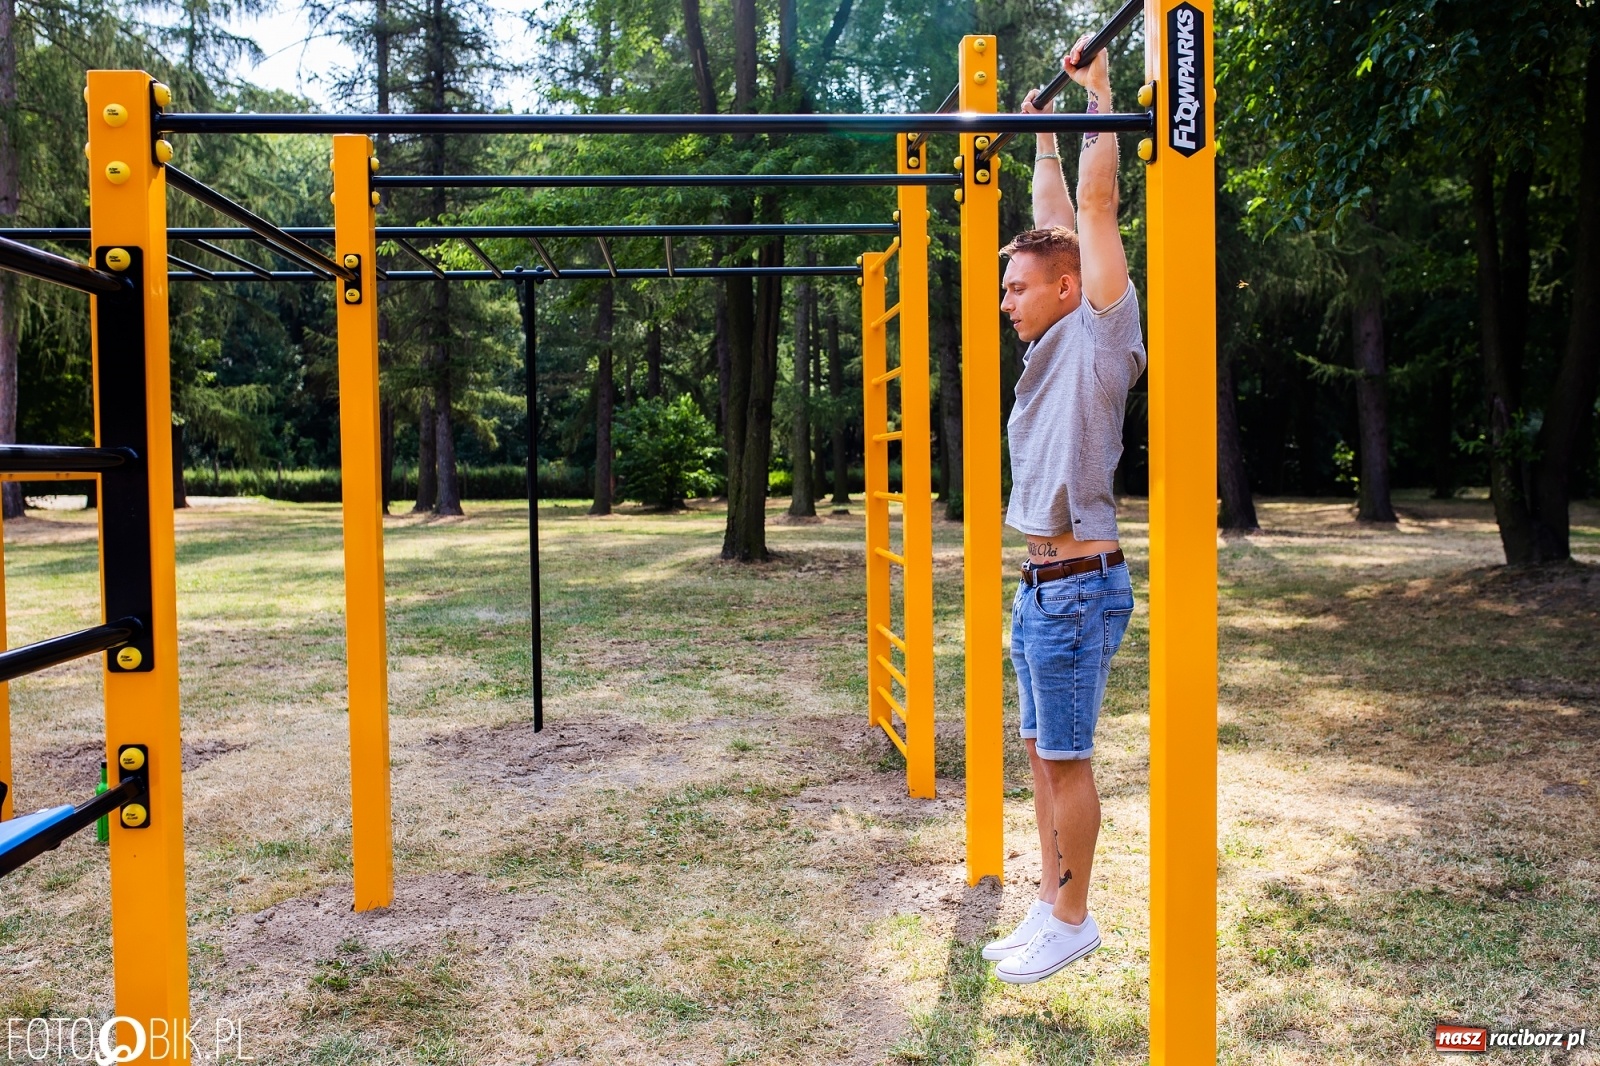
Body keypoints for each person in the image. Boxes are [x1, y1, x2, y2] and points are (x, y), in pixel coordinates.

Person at [982, 34, 1147, 985]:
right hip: (1041, 587)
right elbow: (1053, 216)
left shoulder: (1102, 333)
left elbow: (1090, 209)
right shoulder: (1048, 343)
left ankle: (1075, 916)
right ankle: (1048, 904)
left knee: (1069, 760)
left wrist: (1097, 97)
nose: (1007, 300)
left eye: (1017, 288)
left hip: (1081, 585)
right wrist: (1039, 136)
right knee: (1042, 756)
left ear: (1070, 289)